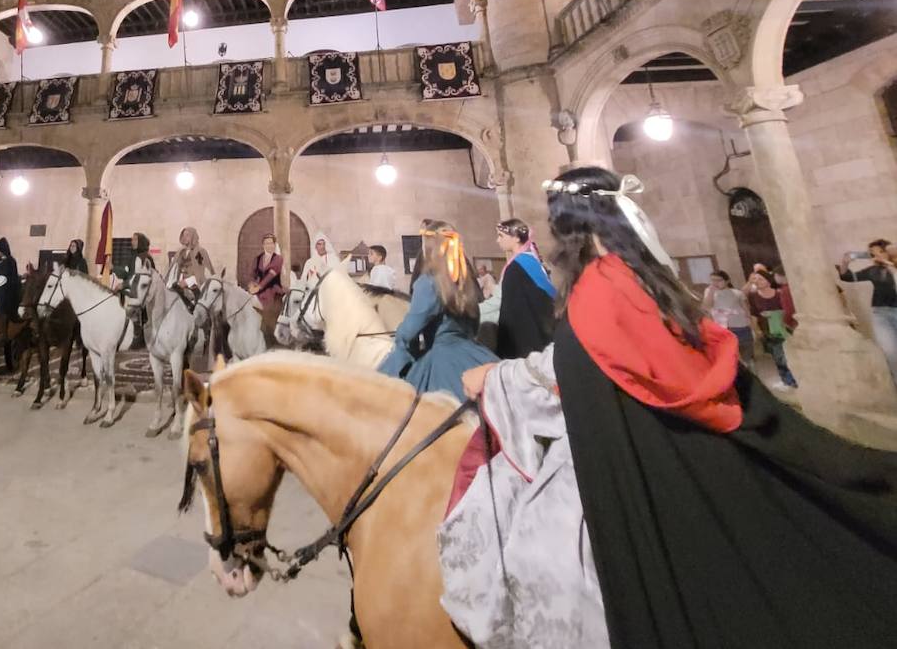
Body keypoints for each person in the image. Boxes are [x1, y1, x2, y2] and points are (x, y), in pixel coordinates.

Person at [446, 166, 897, 649]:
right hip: (634, 438)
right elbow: (596, 359)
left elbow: (587, 364)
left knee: (537, 553)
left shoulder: (604, 285)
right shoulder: (624, 274)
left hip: (641, 458)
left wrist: (499, 379)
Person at [377, 220, 497, 401]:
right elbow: (474, 322)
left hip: (442, 360)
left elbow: (411, 328)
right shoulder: (466, 282)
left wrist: (400, 346)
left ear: (430, 247)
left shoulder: (428, 282)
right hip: (474, 352)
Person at [494, 218, 556, 359]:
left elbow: (510, 311)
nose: (497, 241)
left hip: (525, 343)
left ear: (516, 238)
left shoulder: (518, 266)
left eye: (501, 236)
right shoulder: (530, 260)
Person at [840, 239, 897, 384]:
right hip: (881, 314)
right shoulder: (873, 271)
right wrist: (845, 263)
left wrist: (889, 264)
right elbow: (846, 277)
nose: (875, 256)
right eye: (871, 253)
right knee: (891, 352)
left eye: (879, 252)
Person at [745, 268, 797, 388]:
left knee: (789, 354)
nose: (758, 281)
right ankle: (787, 380)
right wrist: (756, 329)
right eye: (756, 279)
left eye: (761, 279)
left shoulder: (779, 293)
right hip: (768, 329)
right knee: (778, 356)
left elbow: (788, 309)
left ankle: (794, 378)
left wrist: (775, 313)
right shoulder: (753, 296)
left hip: (785, 327)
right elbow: (754, 314)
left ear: (768, 281)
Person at [704, 270, 754, 370]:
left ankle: (751, 376)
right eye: (712, 280)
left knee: (747, 356)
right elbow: (707, 306)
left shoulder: (737, 293)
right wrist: (711, 291)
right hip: (723, 329)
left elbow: (747, 311)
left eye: (718, 280)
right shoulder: (709, 292)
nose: (715, 283)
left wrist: (753, 327)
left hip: (741, 327)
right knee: (731, 358)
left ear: (727, 281)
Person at [247, 233, 285, 345]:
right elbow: (251, 274)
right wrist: (251, 286)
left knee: (269, 317)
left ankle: (270, 341)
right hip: (258, 293)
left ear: (274, 245)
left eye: (271, 243)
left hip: (273, 292)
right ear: (263, 245)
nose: (269, 246)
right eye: (266, 243)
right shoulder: (258, 258)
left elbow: (270, 275)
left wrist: (258, 287)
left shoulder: (278, 259)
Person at [167, 227, 213, 300]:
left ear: (193, 236)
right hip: (180, 281)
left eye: (187, 235)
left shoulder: (200, 251)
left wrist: (187, 281)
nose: (185, 238)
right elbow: (175, 268)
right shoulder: (180, 251)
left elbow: (201, 273)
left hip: (195, 284)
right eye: (184, 235)